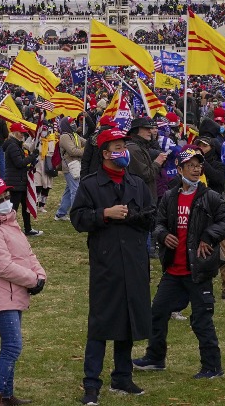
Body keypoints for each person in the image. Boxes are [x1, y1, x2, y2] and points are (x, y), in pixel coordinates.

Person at [133, 149, 225, 380]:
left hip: (198, 271)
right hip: (173, 270)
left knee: (201, 320)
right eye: (190, 165)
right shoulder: (170, 197)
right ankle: (155, 358)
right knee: (157, 313)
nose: (196, 169)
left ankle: (212, 367)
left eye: (198, 165)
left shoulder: (210, 197)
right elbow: (158, 223)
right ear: (179, 170)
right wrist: (163, 235)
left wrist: (209, 235)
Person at [71, 127, 155, 405]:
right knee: (101, 323)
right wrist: (104, 214)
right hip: (106, 263)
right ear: (105, 154)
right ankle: (91, 383)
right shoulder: (91, 185)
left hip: (134, 261)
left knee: (129, 321)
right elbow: (78, 219)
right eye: (118, 148)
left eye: (124, 147)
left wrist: (133, 216)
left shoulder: (136, 184)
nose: (123, 152)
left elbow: (151, 217)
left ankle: (122, 376)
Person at [0, 176, 47, 406]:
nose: (6, 201)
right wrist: (32, 280)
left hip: (16, 292)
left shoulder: (10, 223)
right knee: (13, 346)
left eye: (7, 196)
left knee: (10, 346)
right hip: (2, 295)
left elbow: (28, 254)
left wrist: (40, 275)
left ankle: (7, 395)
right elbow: (3, 266)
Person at [195, 135, 225, 300]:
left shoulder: (218, 165)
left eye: (204, 146)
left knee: (224, 254)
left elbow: (218, 179)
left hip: (216, 214)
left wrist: (203, 163)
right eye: (199, 145)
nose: (201, 149)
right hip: (198, 213)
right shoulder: (191, 166)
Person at [3, 123, 42, 237]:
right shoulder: (13, 146)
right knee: (13, 208)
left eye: (23, 133)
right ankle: (8, 229)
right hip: (15, 182)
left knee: (25, 207)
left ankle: (28, 228)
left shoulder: (16, 145)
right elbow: (19, 163)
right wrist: (32, 156)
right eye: (20, 133)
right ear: (14, 132)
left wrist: (29, 167)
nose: (22, 135)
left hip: (19, 180)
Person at [126, 116, 167, 203]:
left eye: (150, 128)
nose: (150, 131)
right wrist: (157, 162)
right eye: (146, 128)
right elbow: (146, 175)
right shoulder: (133, 149)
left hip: (146, 198)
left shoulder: (140, 146)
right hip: (142, 200)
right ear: (136, 130)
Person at [54, 117, 84, 221]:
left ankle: (60, 214)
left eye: (74, 122)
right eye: (71, 122)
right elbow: (72, 151)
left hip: (75, 166)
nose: (74, 124)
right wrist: (85, 151)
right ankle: (76, 215)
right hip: (70, 166)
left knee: (69, 191)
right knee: (75, 190)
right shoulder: (65, 136)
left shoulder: (74, 135)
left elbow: (86, 142)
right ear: (66, 124)